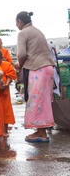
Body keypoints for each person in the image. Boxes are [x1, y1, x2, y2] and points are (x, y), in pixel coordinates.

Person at [16, 11, 55, 142]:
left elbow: (21, 54)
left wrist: (19, 65)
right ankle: (40, 130)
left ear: (20, 22)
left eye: (17, 23)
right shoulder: (37, 31)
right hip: (48, 69)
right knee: (43, 100)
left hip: (37, 68)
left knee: (36, 100)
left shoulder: (23, 33)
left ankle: (42, 133)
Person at [0, 49, 16, 138]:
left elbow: (10, 75)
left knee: (6, 111)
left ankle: (5, 130)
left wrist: (7, 84)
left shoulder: (6, 65)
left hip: (4, 93)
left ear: (2, 58)